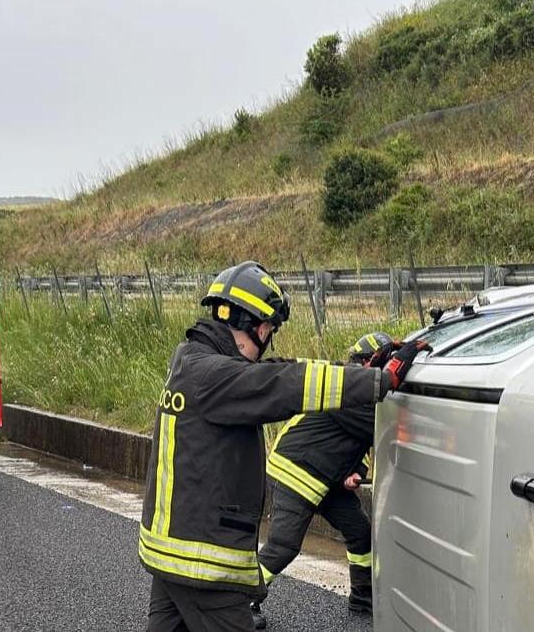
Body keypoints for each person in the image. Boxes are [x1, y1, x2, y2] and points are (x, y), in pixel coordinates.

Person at [138, 262, 425, 632]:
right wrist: (379, 380)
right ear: (260, 328)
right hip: (201, 563)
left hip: (170, 554)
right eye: (270, 331)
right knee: (283, 547)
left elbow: (274, 372)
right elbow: (286, 383)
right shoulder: (216, 376)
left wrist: (361, 372)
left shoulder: (191, 361)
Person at [253, 332, 402, 628]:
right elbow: (379, 431)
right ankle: (242, 600)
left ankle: (362, 596)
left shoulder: (352, 394)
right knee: (283, 546)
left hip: (324, 478)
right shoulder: (351, 398)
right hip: (296, 472)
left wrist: (357, 471)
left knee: (359, 530)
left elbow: (357, 445)